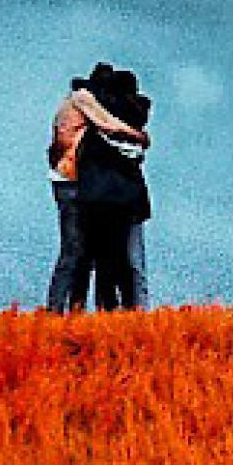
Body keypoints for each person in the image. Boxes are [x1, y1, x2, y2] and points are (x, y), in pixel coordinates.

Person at [45, 64, 149, 312]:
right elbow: (106, 123)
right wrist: (137, 135)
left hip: (70, 180)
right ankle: (57, 309)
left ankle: (71, 307)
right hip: (71, 182)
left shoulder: (73, 102)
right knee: (74, 251)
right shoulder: (82, 98)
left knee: (81, 252)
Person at [75, 64, 153, 310]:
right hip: (128, 200)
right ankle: (134, 310)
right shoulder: (132, 124)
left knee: (103, 261)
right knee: (129, 263)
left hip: (99, 200)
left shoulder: (96, 130)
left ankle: (105, 308)